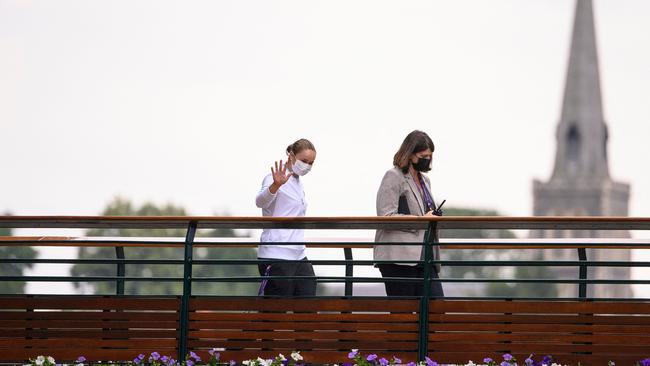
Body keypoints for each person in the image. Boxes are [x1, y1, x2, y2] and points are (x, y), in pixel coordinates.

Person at [374, 130, 444, 297]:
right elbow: (385, 216)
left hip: (426, 255)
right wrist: (421, 220)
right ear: (410, 154)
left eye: (430, 156)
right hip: (399, 257)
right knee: (403, 315)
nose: (427, 159)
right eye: (423, 155)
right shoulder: (393, 176)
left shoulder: (425, 180)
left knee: (436, 310)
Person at [255, 138, 317, 296]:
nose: (307, 166)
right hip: (276, 254)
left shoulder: (298, 182)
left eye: (311, 163)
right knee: (276, 312)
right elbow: (260, 201)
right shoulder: (273, 177)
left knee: (307, 307)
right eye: (304, 161)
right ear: (291, 155)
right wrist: (275, 185)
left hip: (298, 254)